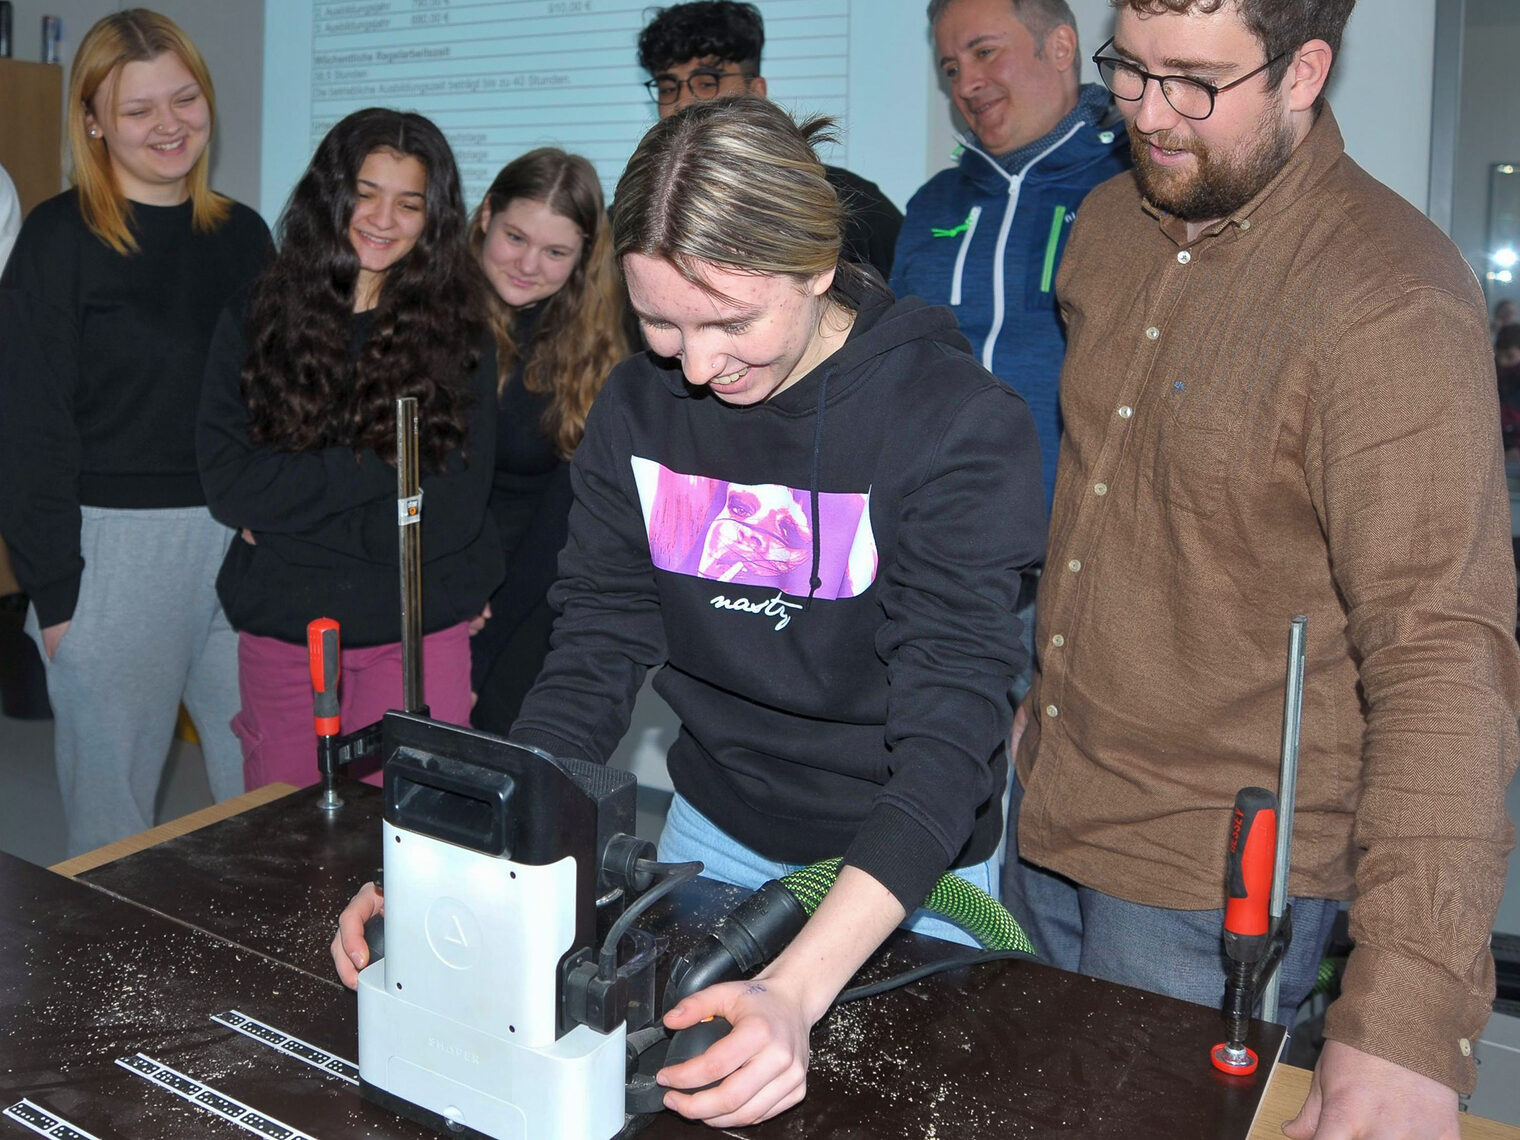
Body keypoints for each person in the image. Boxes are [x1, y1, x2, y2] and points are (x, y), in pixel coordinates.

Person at [333, 96, 1045, 1128]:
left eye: (730, 323)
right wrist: (476, 877)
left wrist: (797, 990)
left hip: (903, 867)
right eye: (660, 324)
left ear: (813, 265)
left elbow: (947, 741)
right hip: (715, 840)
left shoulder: (952, 425)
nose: (699, 369)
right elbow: (592, 652)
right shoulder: (636, 406)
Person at [1010, 2, 1520, 1138]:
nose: (1144, 113)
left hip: (1209, 887)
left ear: (1302, 72)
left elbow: (1443, 659)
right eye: (1126, 71)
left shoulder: (1388, 297)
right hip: (1044, 810)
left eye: (1192, 82)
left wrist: (1401, 1023)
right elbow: (1112, 511)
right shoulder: (1101, 223)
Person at [0, 9, 270, 856]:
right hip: (109, 554)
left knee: (266, 788)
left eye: (184, 98)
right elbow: (26, 426)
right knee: (114, 827)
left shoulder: (243, 235)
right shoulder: (55, 239)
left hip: (240, 540)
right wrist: (58, 596)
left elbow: (272, 398)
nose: (169, 125)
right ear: (94, 123)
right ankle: (107, 992)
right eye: (138, 109)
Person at [197, 108, 501, 791]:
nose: (383, 219)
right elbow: (232, 488)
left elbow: (452, 514)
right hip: (289, 634)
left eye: (409, 203)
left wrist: (290, 524)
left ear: (435, 220)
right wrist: (390, 464)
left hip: (417, 633)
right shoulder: (254, 318)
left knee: (414, 844)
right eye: (366, 193)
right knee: (287, 845)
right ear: (329, 194)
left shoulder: (461, 338)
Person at [891, 0, 1130, 510]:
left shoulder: (1137, 185)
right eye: (951, 68)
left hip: (1082, 549)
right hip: (944, 541)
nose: (966, 84)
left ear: (1060, 47)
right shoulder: (931, 204)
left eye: (985, 53)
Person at [467, 148, 630, 733]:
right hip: (437, 580)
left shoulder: (598, 349)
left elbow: (567, 516)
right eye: (515, 237)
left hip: (532, 594)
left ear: (584, 258)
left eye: (556, 252)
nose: (528, 264)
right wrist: (456, 582)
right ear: (485, 215)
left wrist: (498, 606)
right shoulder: (425, 316)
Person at [638, 1, 903, 280]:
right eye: (668, 88)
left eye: (706, 82)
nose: (683, 102)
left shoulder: (852, 207)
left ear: (756, 91)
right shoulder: (641, 213)